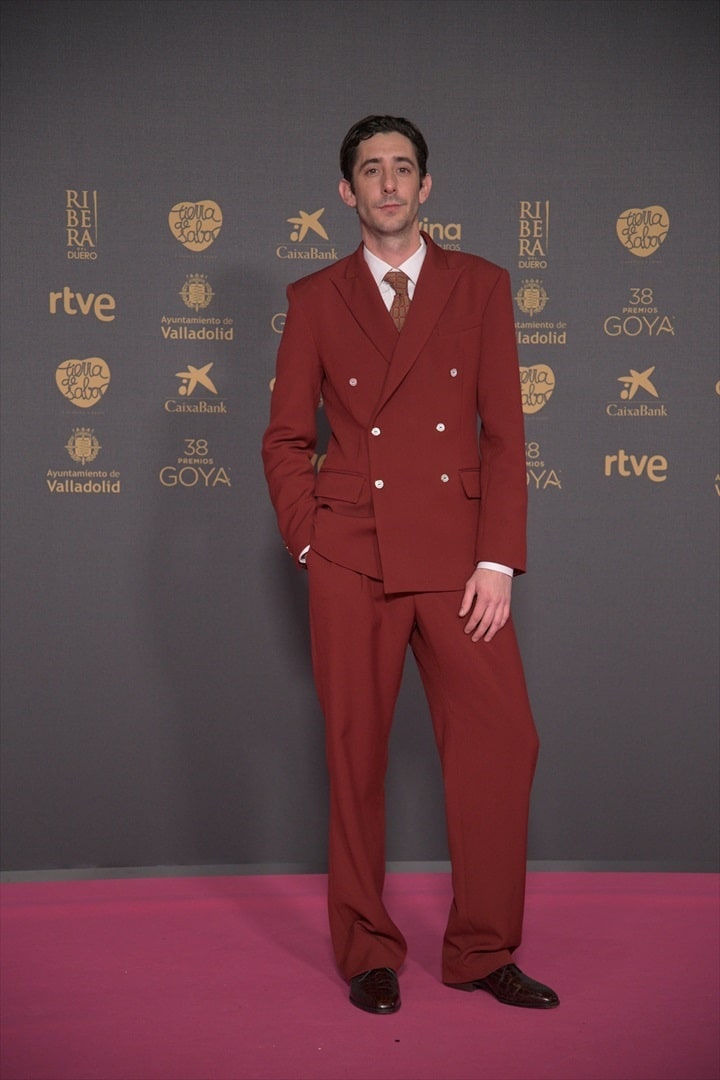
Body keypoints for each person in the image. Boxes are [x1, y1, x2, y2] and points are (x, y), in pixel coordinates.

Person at [262, 115, 559, 1015]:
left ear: (426, 187)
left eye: (402, 168)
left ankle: (480, 949)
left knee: (502, 744)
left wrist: (499, 558)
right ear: (345, 194)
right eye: (369, 171)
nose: (387, 184)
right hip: (352, 554)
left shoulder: (481, 285)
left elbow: (505, 435)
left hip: (460, 557)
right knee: (354, 755)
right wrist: (310, 539)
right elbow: (283, 438)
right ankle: (367, 952)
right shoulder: (314, 298)